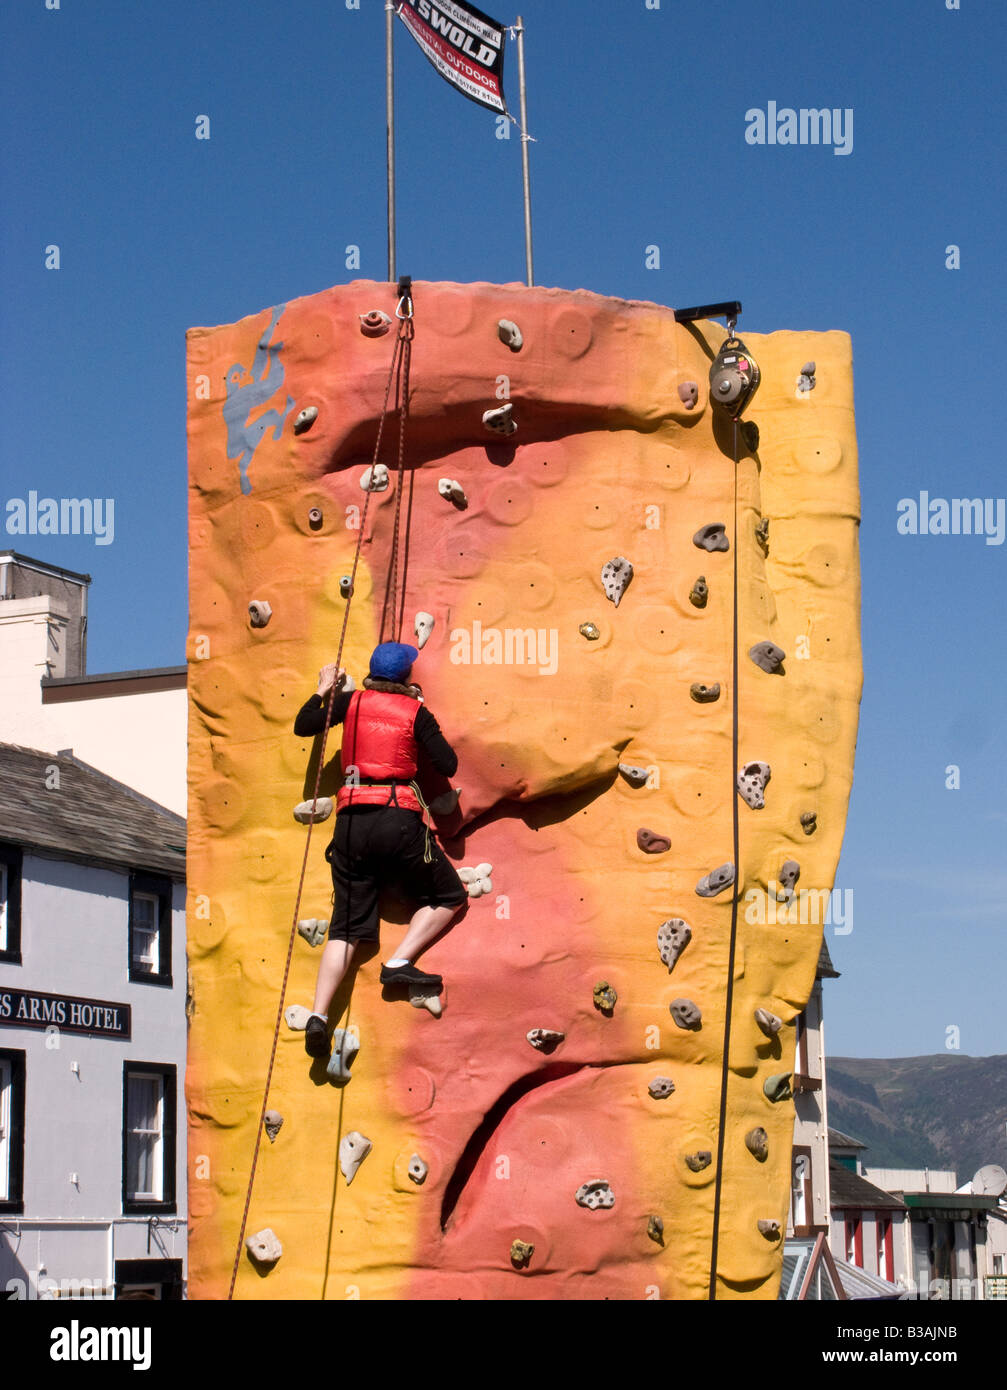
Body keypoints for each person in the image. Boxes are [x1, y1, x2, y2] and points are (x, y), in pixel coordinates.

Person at [292, 640, 466, 1058]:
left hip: (351, 824)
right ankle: (398, 963)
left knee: (347, 929)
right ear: (406, 678)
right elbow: (448, 765)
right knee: (450, 894)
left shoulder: (350, 702)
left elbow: (304, 724)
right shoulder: (415, 711)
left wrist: (324, 687)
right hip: (397, 817)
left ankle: (318, 1015)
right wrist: (422, 718)